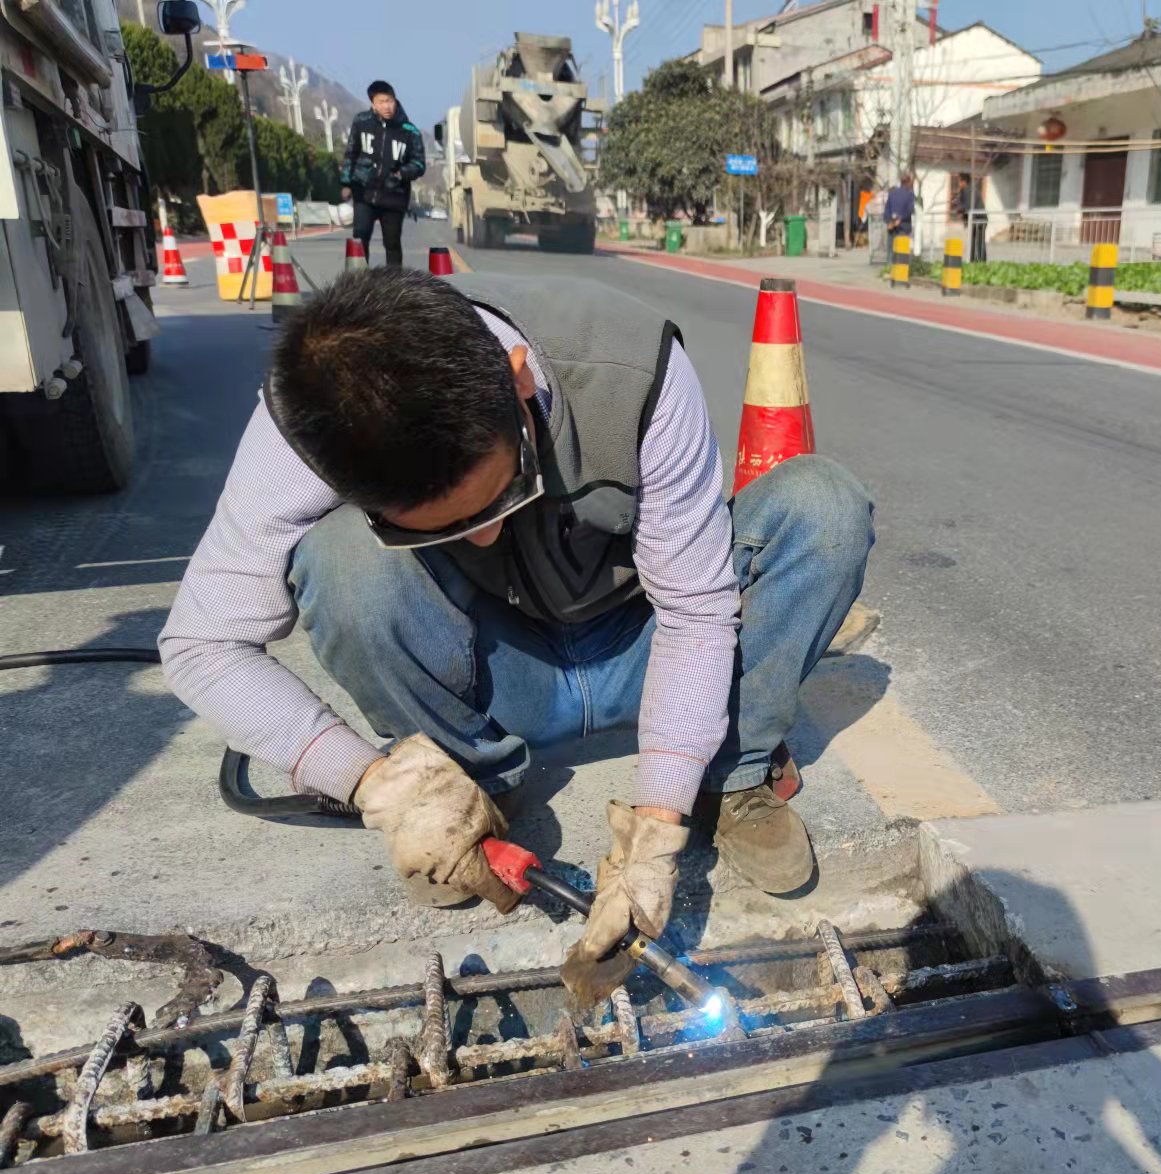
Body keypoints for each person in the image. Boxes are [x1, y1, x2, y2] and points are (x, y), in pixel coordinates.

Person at [158, 268, 874, 1007]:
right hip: (503, 675)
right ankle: (466, 792)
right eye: (452, 526)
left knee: (824, 509)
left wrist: (658, 828)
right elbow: (200, 645)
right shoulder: (306, 430)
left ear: (518, 379)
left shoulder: (633, 368)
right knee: (341, 561)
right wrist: (380, 787)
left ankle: (731, 774)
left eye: (505, 492)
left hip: (646, 644)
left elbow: (694, 611)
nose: (491, 531)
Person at [341, 80, 425, 268]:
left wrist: (401, 173)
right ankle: (357, 285)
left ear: (395, 100)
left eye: (390, 101)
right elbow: (351, 153)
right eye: (381, 102)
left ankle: (394, 289)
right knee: (360, 236)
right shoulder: (361, 122)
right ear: (373, 104)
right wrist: (346, 183)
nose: (387, 106)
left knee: (392, 243)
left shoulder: (409, 131)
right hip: (364, 191)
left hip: (394, 195)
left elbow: (419, 164)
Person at [884, 173, 916, 250]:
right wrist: (900, 219)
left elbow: (887, 209)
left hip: (891, 227)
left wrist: (889, 222)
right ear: (908, 182)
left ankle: (890, 262)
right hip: (903, 227)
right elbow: (910, 210)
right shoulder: (910, 195)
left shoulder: (892, 193)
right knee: (901, 253)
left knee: (891, 251)